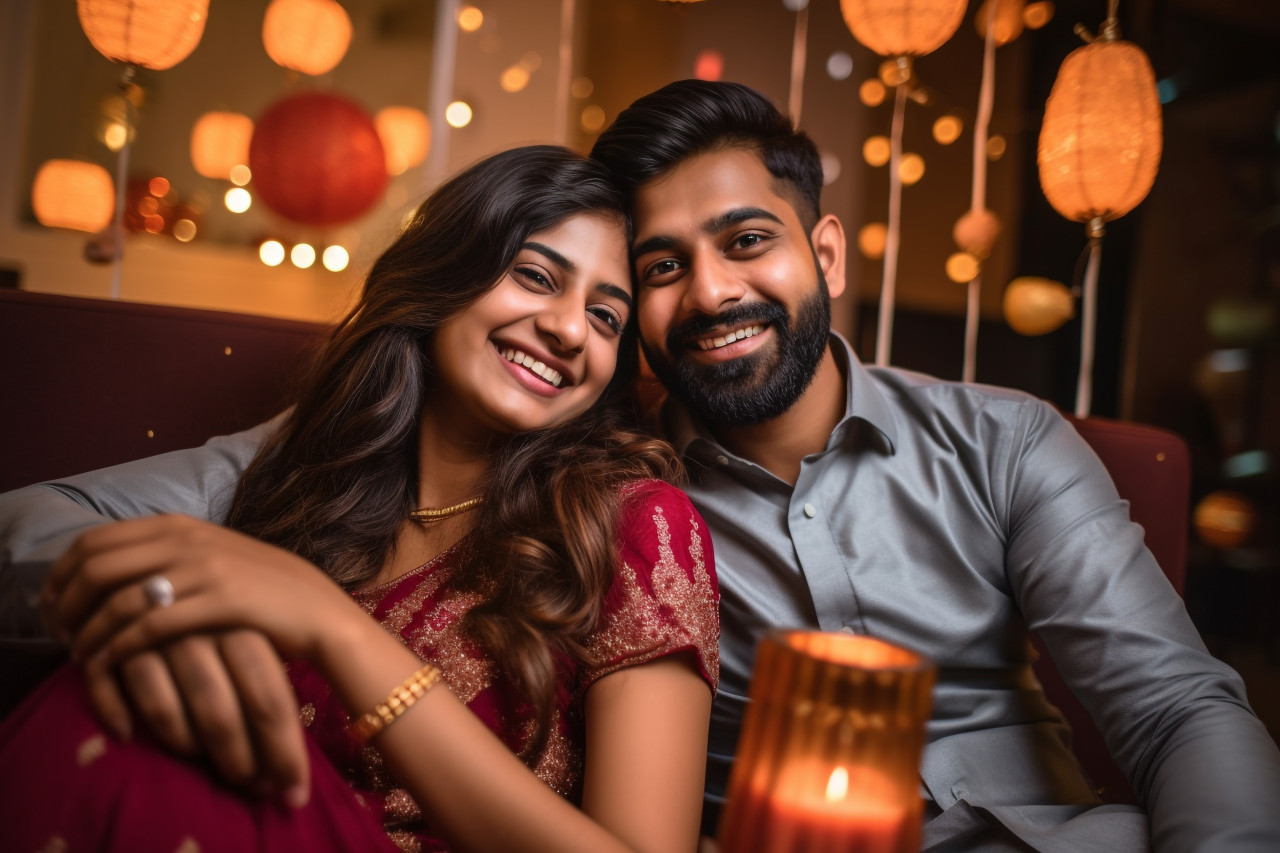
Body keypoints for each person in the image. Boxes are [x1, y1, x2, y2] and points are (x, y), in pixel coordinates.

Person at [3, 80, 1280, 852]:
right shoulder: (582, 475)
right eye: (660, 271)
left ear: (824, 252)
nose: (711, 292)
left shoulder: (1000, 443)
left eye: (746, 242)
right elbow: (54, 529)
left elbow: (1174, 711)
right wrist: (165, 597)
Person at [0, 144, 720, 853]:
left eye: (605, 318)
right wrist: (162, 612)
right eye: (535, 276)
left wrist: (336, 631)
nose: (567, 329)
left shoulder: (631, 520)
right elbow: (33, 518)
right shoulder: (307, 476)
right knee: (105, 689)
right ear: (444, 276)